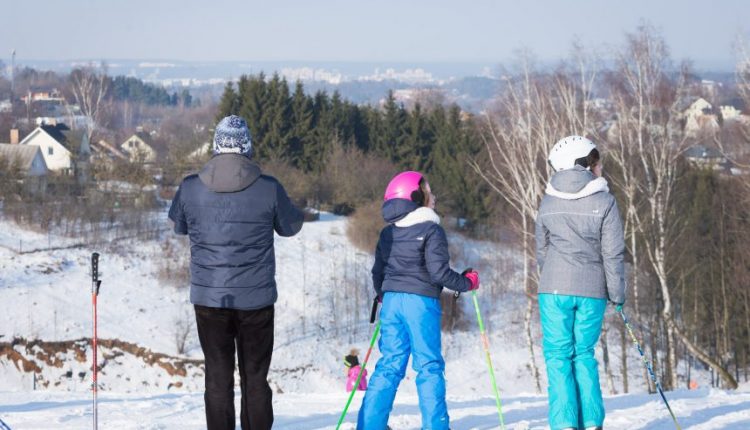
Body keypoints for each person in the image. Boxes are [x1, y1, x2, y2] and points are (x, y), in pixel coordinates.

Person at [168, 115, 304, 430]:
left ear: (216, 146)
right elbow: (290, 227)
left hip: (209, 297)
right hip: (255, 299)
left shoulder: (190, 187)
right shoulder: (269, 188)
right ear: (247, 147)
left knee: (217, 376)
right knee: (255, 376)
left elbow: (179, 226)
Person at [357, 171, 479, 430]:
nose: (433, 196)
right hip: (420, 303)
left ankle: (369, 425)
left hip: (390, 302)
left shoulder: (387, 233)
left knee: (389, 365)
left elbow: (377, 272)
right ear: (414, 197)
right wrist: (467, 282)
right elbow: (439, 273)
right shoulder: (431, 229)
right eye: (428, 190)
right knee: (428, 366)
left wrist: (384, 295)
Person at [535, 136, 626, 430]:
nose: (599, 167)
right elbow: (612, 253)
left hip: (553, 289)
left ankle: (563, 423)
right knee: (584, 354)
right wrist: (617, 294)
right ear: (582, 164)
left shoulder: (548, 202)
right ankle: (590, 422)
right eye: (594, 161)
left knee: (558, 356)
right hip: (592, 290)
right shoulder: (606, 201)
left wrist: (552, 276)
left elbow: (541, 250)